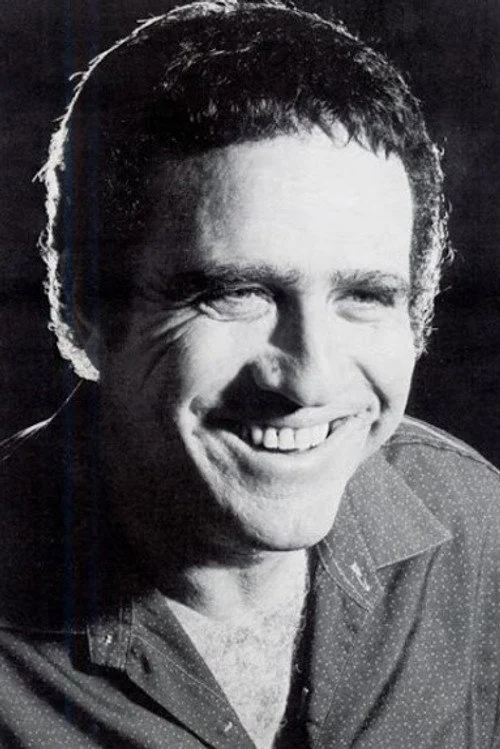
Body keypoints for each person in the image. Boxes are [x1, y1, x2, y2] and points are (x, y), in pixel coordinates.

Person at [0, 1, 499, 747]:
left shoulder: (476, 526)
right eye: (237, 293)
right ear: (83, 312)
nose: (309, 381)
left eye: (365, 296)